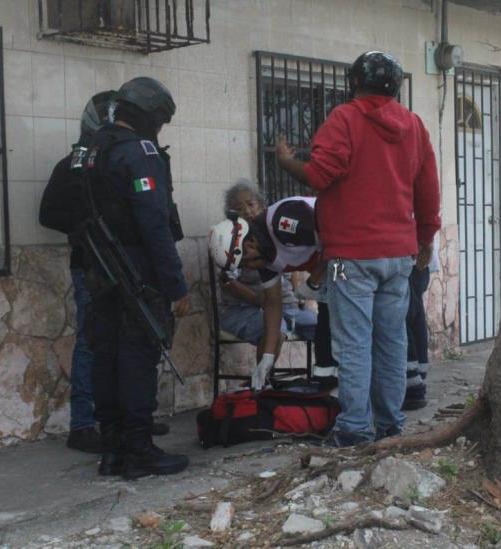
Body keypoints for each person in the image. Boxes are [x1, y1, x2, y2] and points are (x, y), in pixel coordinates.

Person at [275, 51, 441, 446]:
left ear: (355, 82)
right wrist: (426, 238)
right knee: (391, 340)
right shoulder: (414, 125)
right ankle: (389, 423)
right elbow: (428, 188)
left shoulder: (345, 118)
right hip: (399, 253)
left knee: (354, 343)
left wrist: (285, 162)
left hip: (352, 255)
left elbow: (319, 174)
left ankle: (354, 428)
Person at [42, 92, 170, 456]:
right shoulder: (78, 163)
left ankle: (132, 422)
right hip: (95, 266)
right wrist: (91, 228)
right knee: (94, 344)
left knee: (136, 344)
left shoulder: (134, 157)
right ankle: (85, 424)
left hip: (127, 266)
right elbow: (50, 212)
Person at [85, 77, 190, 478]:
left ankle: (112, 450)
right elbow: (154, 224)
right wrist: (175, 284)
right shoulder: (138, 153)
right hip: (137, 271)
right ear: (150, 118)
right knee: (136, 361)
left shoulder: (90, 149)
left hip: (100, 269)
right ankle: (139, 452)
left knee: (107, 359)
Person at [210, 195, 322, 389]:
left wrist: (315, 281)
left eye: (246, 262)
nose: (250, 267)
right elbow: (272, 304)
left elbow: (336, 242)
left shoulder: (282, 222)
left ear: (249, 243)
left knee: (342, 324)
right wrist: (267, 358)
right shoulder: (265, 258)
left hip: (356, 250)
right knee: (333, 323)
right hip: (335, 263)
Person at [218, 179, 317, 359]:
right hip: (248, 308)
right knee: (274, 329)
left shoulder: (277, 226)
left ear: (261, 204)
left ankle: (328, 377)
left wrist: (302, 291)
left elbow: (330, 250)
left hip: (289, 305)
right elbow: (227, 280)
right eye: (239, 209)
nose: (247, 211)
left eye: (250, 204)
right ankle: (263, 382)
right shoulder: (230, 240)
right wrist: (258, 299)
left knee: (324, 327)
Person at [403, 241, 440, 410]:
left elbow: (336, 256)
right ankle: (416, 380)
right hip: (412, 261)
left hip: (405, 261)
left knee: (405, 323)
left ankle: (413, 384)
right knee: (413, 319)